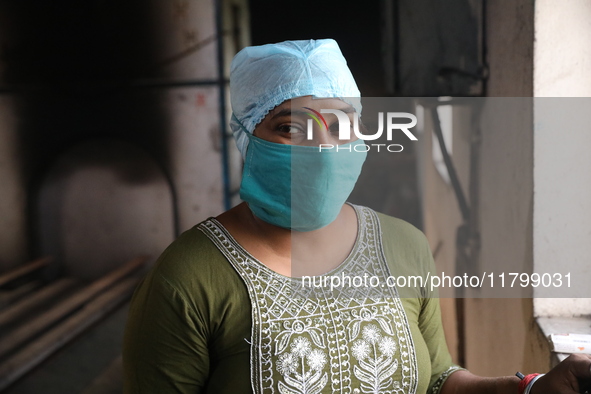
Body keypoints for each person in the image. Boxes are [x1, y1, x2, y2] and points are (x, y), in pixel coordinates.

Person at [122, 39, 591, 394]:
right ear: (247, 132)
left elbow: (435, 381)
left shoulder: (404, 245)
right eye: (290, 126)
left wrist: (530, 388)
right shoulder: (186, 278)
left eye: (341, 123)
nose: (323, 147)